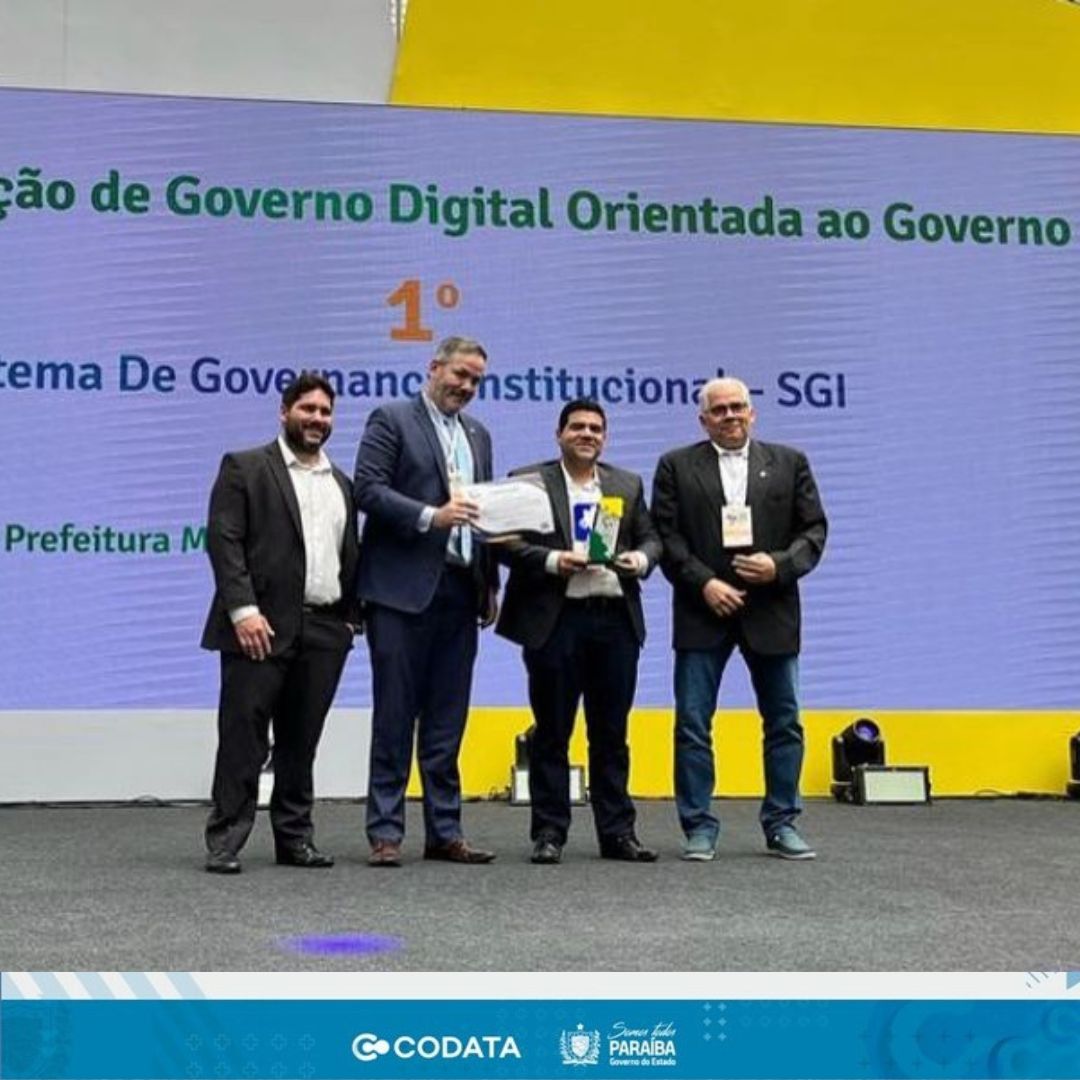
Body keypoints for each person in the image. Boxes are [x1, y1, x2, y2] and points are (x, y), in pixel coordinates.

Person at [652, 377, 827, 861]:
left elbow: (813, 530)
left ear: (752, 413)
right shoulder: (675, 465)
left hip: (772, 610)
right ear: (703, 419)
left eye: (738, 407)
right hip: (702, 609)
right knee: (692, 724)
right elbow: (666, 535)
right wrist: (704, 583)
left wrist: (779, 565)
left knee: (784, 722)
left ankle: (782, 822)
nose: (730, 416)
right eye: (719, 409)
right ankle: (698, 827)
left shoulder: (790, 462)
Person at [201, 372, 360, 874]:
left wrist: (349, 622)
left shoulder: (342, 484)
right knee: (243, 738)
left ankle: (295, 839)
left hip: (325, 630)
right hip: (259, 628)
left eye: (325, 412)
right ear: (284, 411)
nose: (317, 419)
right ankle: (226, 840)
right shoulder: (245, 466)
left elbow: (348, 556)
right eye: (308, 408)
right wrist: (243, 611)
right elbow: (224, 540)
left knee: (301, 742)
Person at [354, 336, 499, 867]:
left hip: (460, 591)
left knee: (446, 720)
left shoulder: (478, 435)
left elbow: (481, 514)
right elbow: (367, 490)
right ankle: (385, 833)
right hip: (400, 592)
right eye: (460, 374)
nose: (467, 386)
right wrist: (429, 516)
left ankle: (445, 831)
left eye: (476, 380)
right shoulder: (392, 419)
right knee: (395, 715)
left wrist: (489, 583)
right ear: (434, 367)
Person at [497, 400, 662, 864]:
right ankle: (549, 832)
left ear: (604, 438)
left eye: (595, 428)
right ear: (559, 434)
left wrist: (640, 559)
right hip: (556, 622)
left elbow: (652, 538)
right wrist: (553, 560)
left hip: (614, 621)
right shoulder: (529, 481)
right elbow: (504, 544)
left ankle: (618, 833)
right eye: (577, 427)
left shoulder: (626, 484)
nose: (587, 434)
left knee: (611, 733)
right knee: (551, 732)